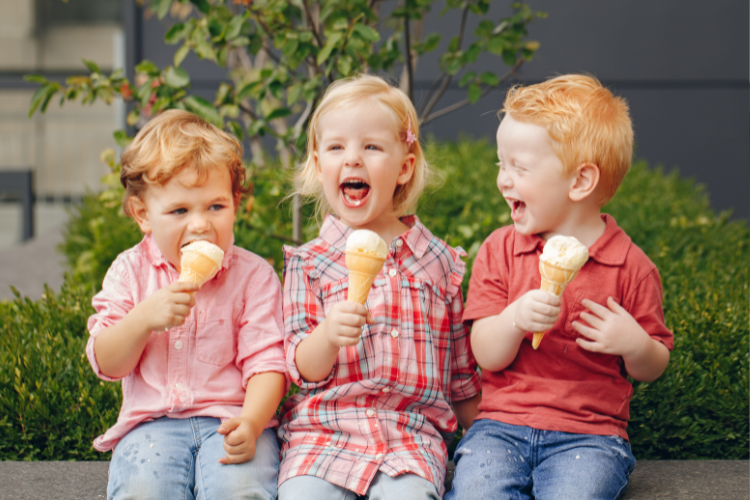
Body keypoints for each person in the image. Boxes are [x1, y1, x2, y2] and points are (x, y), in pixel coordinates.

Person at [446, 74, 674, 500]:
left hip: (590, 438)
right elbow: (485, 353)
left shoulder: (631, 267)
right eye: (501, 164)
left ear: (580, 182)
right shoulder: (500, 250)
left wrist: (634, 344)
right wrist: (513, 319)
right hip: (500, 428)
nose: (503, 180)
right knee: (477, 492)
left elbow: (654, 364)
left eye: (519, 167)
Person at [278, 74, 482, 500]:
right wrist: (328, 336)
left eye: (371, 146)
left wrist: (488, 439)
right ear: (319, 165)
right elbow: (303, 368)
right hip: (323, 436)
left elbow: (461, 377)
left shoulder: (439, 263)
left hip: (410, 440)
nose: (352, 159)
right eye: (336, 147)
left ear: (404, 166)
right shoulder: (309, 263)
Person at [86, 109, 288, 500]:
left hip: (233, 418)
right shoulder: (130, 271)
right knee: (143, 490)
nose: (199, 224)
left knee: (242, 489)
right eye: (180, 210)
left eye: (215, 207)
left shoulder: (254, 277)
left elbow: (268, 364)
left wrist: (251, 421)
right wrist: (142, 319)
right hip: (151, 425)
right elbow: (107, 362)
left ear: (235, 203)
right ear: (143, 214)